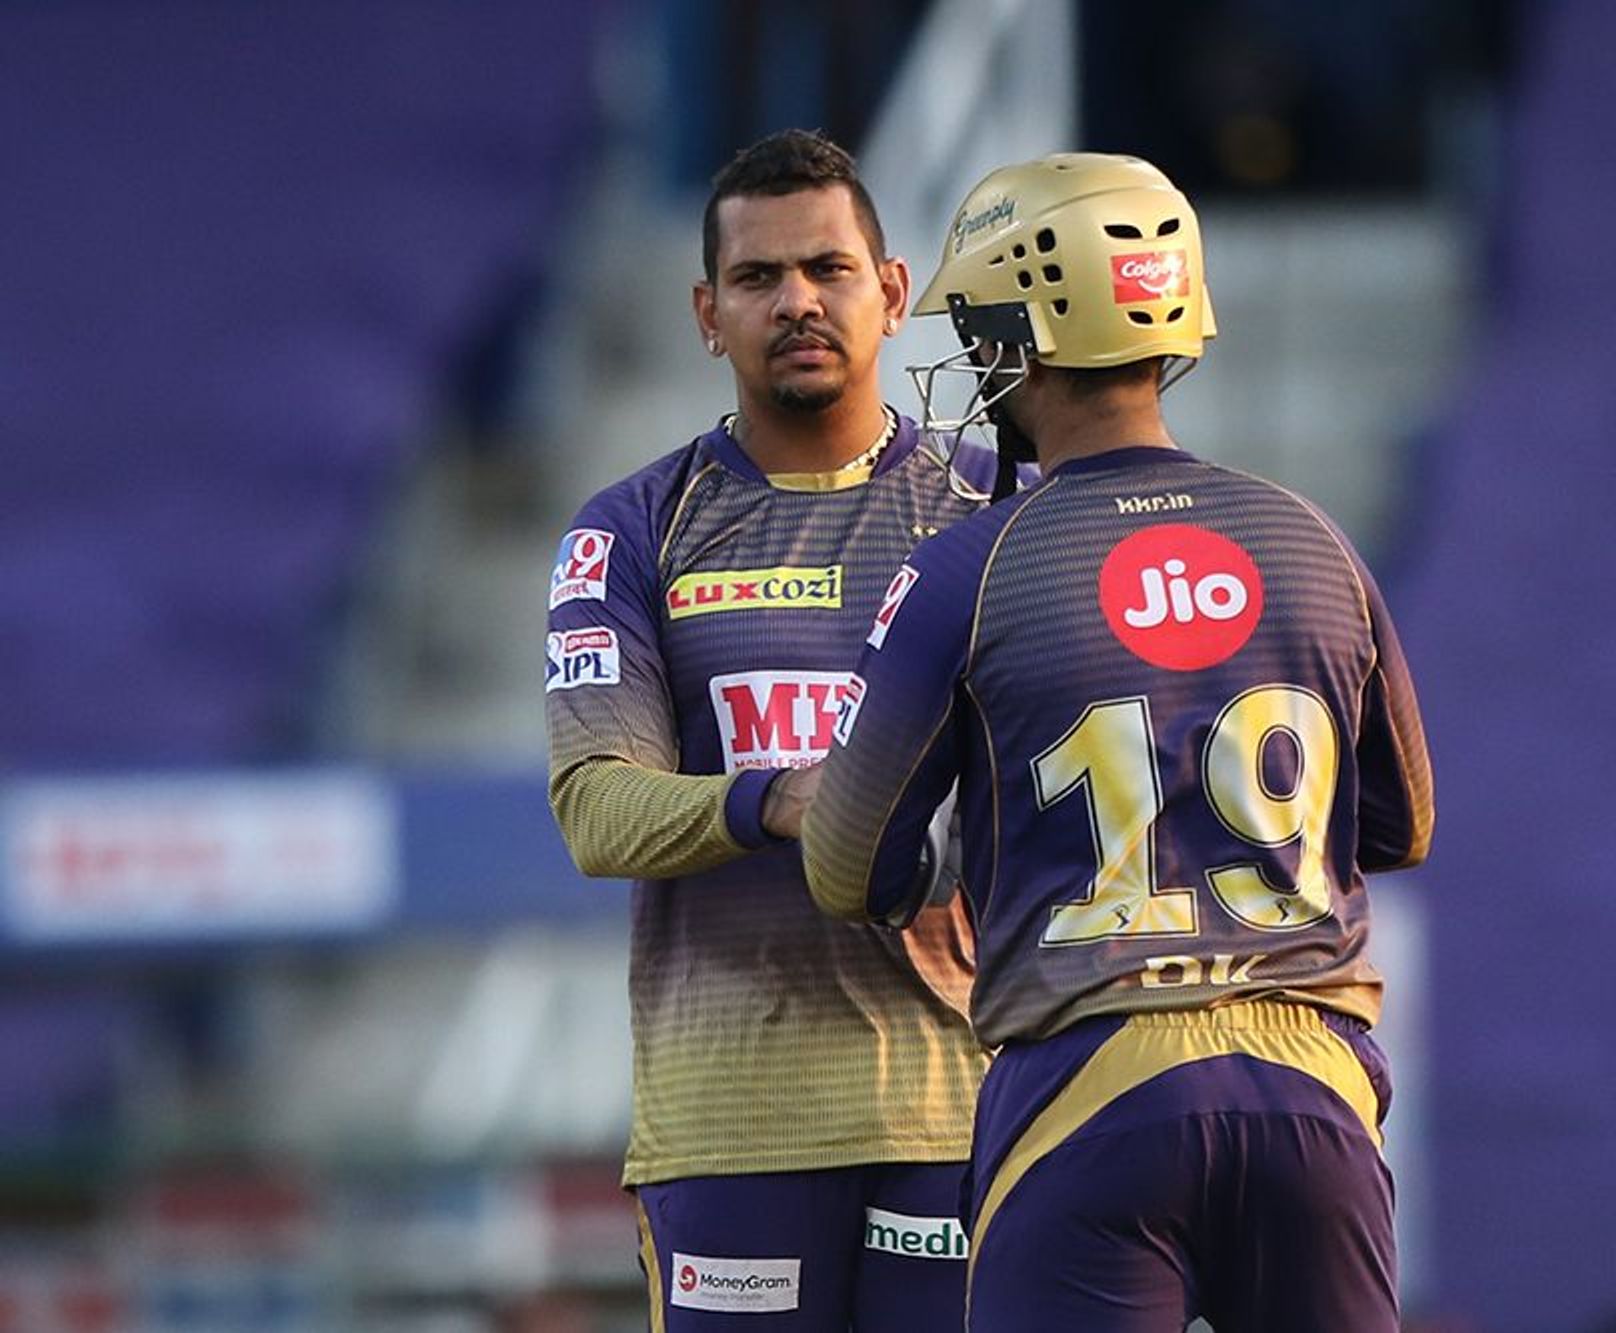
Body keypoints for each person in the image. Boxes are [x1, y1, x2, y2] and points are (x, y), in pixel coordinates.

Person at [801, 152, 1434, 1332]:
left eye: (979, 326)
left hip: (1088, 1089)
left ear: (1025, 334)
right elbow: (1400, 827)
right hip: (1312, 1089)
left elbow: (845, 866)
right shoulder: (1309, 539)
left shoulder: (968, 568)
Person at [544, 128, 997, 1332]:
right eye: (756, 277)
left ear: (890, 292)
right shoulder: (630, 529)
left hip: (961, 1105)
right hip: (730, 1120)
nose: (796, 300)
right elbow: (595, 807)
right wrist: (785, 799)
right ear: (708, 313)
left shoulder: (999, 508)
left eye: (827, 268)